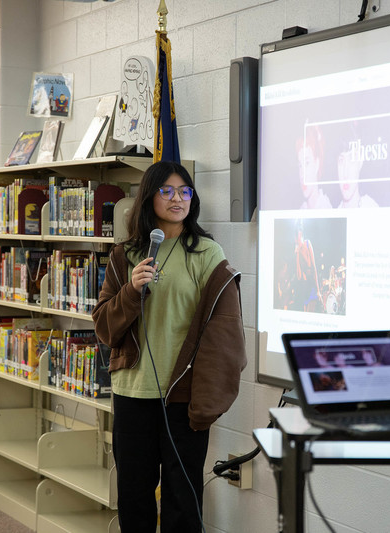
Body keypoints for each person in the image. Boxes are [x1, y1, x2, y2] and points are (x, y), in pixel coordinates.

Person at [92, 161, 247, 532]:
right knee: (134, 497)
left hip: (182, 399)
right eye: (167, 191)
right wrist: (131, 291)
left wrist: (207, 401)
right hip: (132, 394)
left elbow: (225, 335)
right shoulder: (124, 255)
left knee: (182, 499)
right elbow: (103, 327)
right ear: (149, 197)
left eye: (185, 191)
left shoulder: (207, 254)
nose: (178, 199)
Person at [296, 126, 333, 209]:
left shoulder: (326, 209)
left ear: (317, 164)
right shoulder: (301, 210)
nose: (302, 175)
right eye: (300, 165)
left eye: (307, 163)